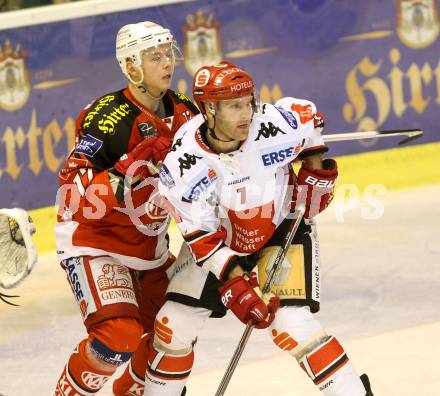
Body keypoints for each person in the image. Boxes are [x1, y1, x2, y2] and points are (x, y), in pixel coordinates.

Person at [142, 61, 374, 395]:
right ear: (209, 108)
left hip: (281, 227)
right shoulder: (183, 165)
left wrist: (314, 168)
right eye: (235, 106)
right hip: (221, 237)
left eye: (249, 102)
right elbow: (203, 239)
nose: (246, 113)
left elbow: (310, 121)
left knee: (292, 326)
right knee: (173, 325)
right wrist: (237, 285)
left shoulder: (273, 124)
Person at [53, 21, 199, 396]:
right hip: (97, 243)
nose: (167, 62)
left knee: (177, 331)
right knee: (119, 336)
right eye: (155, 56)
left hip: (149, 249)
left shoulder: (183, 110)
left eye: (168, 53)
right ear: (131, 67)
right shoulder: (107, 118)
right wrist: (122, 175)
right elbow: (72, 184)